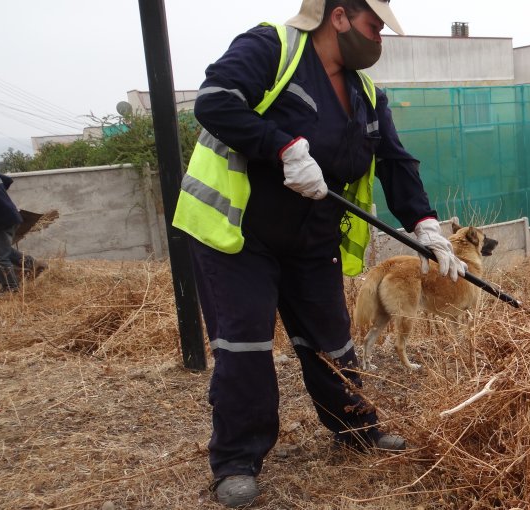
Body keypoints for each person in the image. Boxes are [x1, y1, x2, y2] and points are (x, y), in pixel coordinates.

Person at [170, 0, 467, 506]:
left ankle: (355, 430)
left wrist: (425, 225)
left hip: (310, 240)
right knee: (245, 347)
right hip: (239, 235)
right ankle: (237, 461)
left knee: (333, 343)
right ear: (339, 16)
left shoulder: (367, 94)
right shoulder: (271, 47)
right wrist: (283, 146)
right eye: (375, 26)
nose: (379, 39)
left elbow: (394, 162)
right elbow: (215, 101)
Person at [0, 172, 46, 294]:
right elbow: (7, 180)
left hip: (0, 220)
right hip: (11, 215)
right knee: (1, 248)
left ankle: (11, 287)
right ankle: (32, 264)